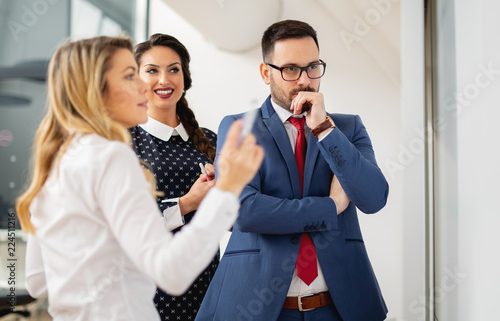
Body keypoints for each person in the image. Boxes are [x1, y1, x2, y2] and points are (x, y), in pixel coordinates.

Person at [16, 36, 264, 321]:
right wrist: (226, 190)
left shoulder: (59, 157)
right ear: (96, 88)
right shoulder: (113, 155)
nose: (144, 87)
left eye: (173, 69)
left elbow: (38, 280)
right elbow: (171, 273)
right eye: (132, 75)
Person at [196, 20, 389, 321]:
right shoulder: (238, 128)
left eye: (313, 67)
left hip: (338, 308)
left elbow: (374, 197)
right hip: (256, 306)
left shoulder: (347, 128)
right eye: (290, 69)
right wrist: (332, 206)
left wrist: (325, 131)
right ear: (265, 73)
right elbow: (244, 211)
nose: (304, 80)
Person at [130, 33, 220, 320]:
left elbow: (230, 220)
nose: (164, 80)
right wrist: (188, 203)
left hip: (208, 284)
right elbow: (128, 229)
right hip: (149, 290)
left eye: (173, 69)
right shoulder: (124, 142)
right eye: (152, 71)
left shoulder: (209, 139)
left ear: (185, 76)